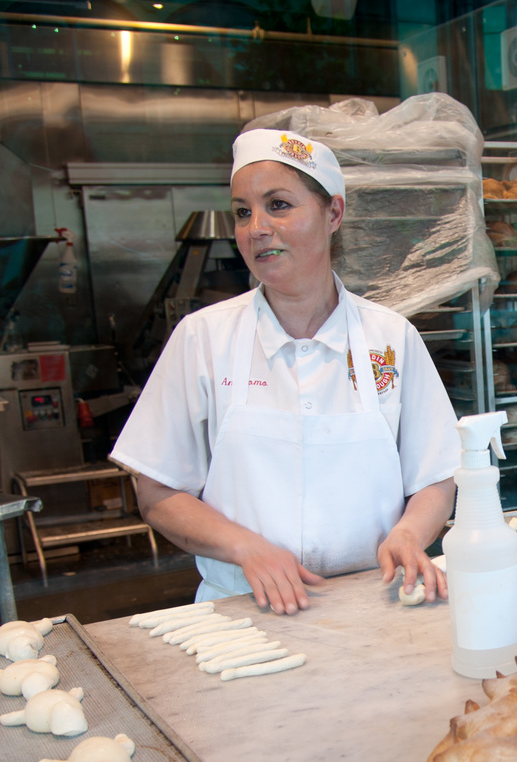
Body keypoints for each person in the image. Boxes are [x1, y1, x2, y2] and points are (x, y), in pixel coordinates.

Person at [111, 128, 461, 614]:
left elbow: (435, 477)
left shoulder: (391, 338)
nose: (256, 227)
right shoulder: (203, 338)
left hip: (379, 603)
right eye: (242, 211)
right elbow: (156, 491)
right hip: (241, 614)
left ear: (333, 213)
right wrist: (244, 547)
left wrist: (409, 533)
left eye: (278, 205)